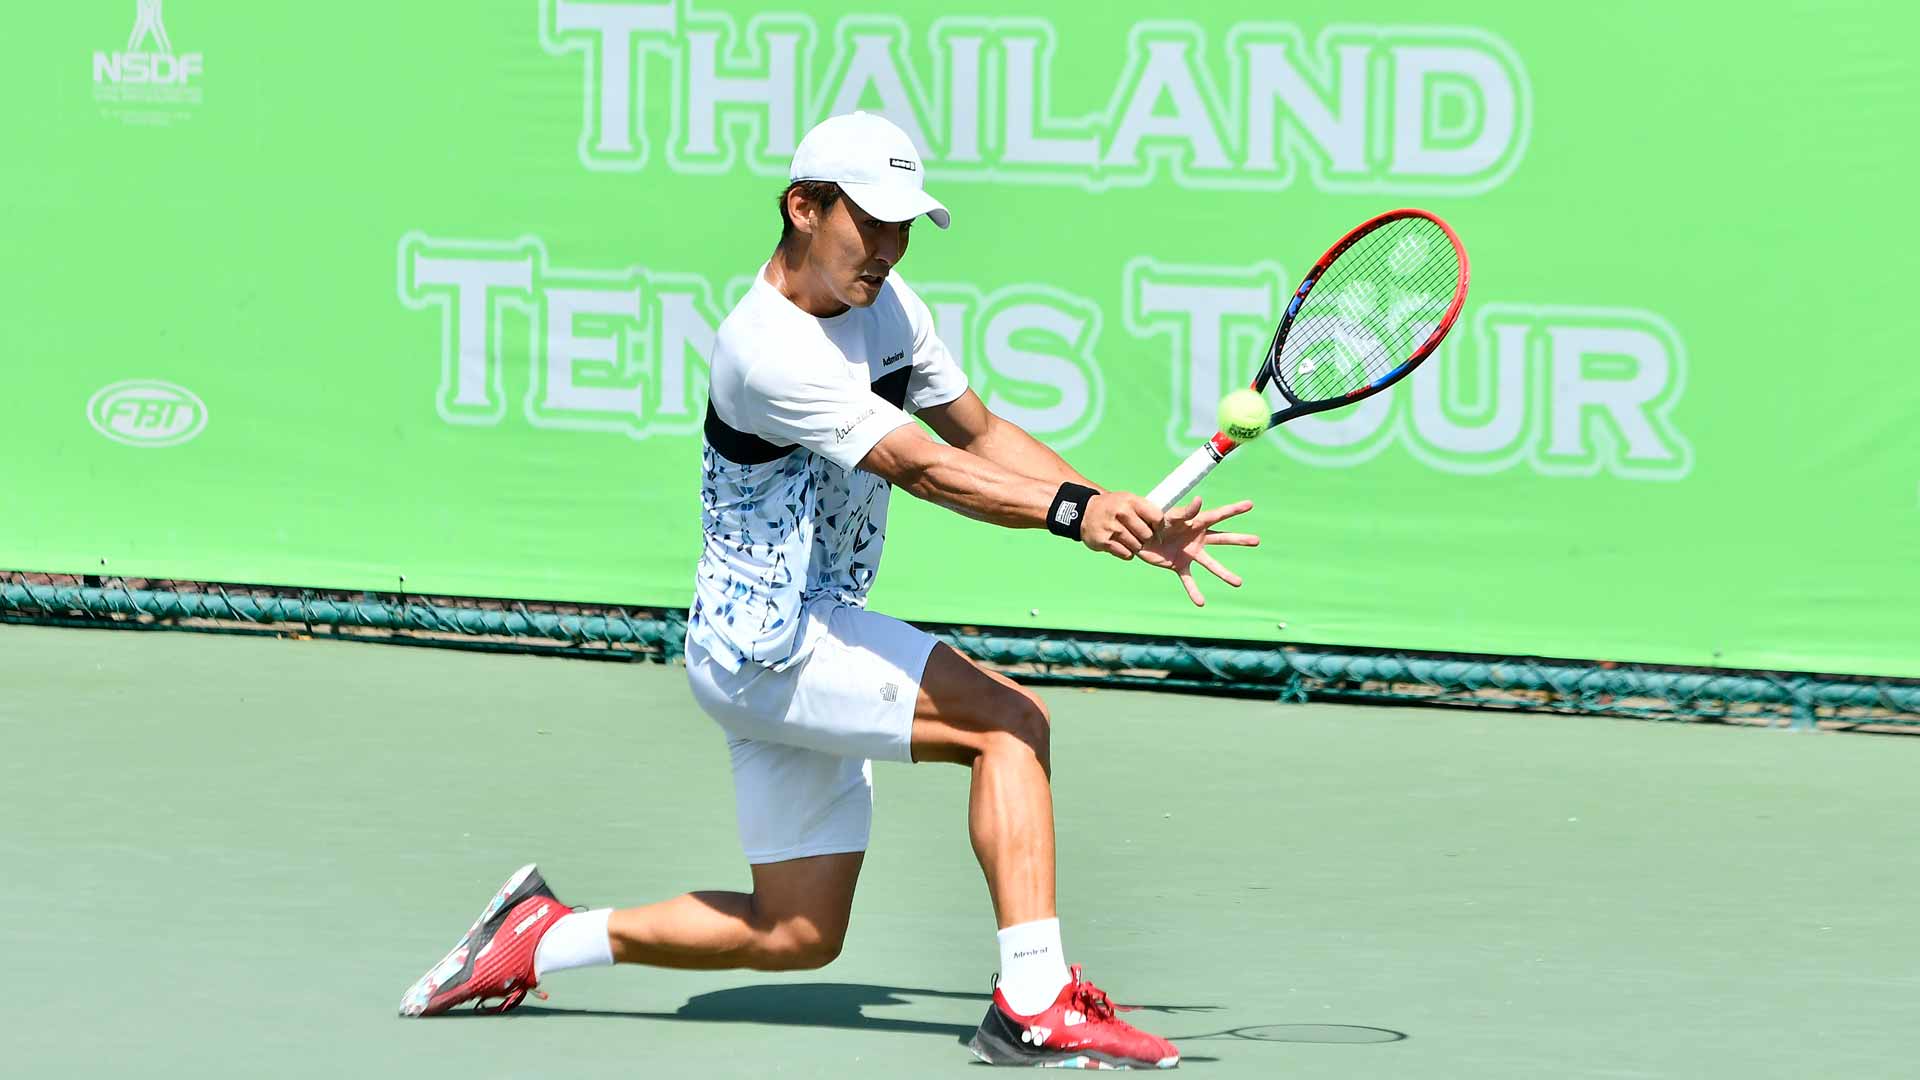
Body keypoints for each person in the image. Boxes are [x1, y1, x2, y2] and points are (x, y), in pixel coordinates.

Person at [399, 111, 1258, 1070]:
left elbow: (976, 433)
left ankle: (538, 937)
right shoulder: (767, 349)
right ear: (803, 209)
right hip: (774, 648)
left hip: (769, 644)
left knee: (796, 932)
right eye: (870, 223)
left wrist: (1113, 513)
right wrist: (1072, 514)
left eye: (903, 228)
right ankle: (1034, 1001)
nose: (888, 250)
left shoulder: (889, 307)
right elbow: (925, 469)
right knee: (1009, 724)